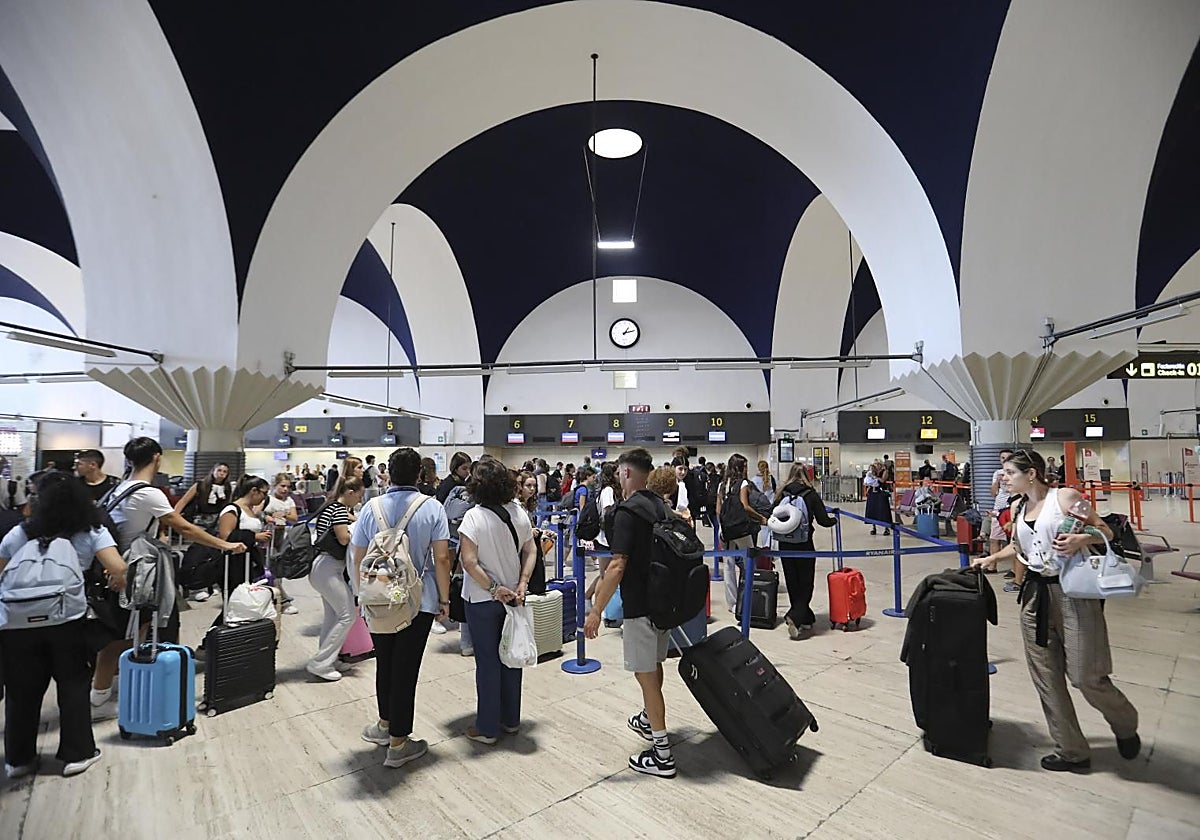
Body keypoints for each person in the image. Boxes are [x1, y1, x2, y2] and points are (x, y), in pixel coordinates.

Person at [972, 449, 1140, 772]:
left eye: (1009, 472)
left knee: (1085, 675)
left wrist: (1080, 539)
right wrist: (993, 559)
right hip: (1034, 596)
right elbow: (1022, 546)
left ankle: (1125, 721)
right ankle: (1071, 749)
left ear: (1031, 473)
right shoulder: (1019, 507)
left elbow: (1104, 530)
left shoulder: (1064, 498)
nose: (1003, 477)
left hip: (1073, 593)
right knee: (1046, 677)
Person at [94, 438, 247, 717]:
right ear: (156, 457)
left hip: (121, 564)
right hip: (133, 570)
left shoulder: (119, 488)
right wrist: (224, 545)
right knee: (120, 635)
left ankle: (113, 687)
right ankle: (98, 697)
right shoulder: (149, 493)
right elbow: (184, 527)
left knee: (137, 627)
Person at [0, 472, 127, 778]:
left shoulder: (22, 532)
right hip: (67, 620)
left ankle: (18, 759)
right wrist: (115, 579)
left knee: (21, 690)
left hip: (17, 625)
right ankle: (76, 754)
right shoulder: (91, 529)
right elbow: (118, 566)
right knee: (72, 684)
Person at [352, 448, 452, 770]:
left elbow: (357, 556)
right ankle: (398, 743)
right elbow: (442, 559)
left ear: (388, 474)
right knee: (406, 670)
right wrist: (445, 601)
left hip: (378, 598)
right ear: (420, 475)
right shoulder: (432, 508)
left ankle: (384, 725)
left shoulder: (371, 508)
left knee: (386, 663)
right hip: (418, 601)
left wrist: (361, 594)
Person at [584, 448, 677, 778]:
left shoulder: (627, 512)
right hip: (664, 602)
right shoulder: (660, 505)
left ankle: (662, 754)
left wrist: (596, 610)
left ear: (625, 473)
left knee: (645, 676)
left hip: (640, 605)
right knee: (653, 666)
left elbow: (618, 565)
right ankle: (648, 718)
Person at [457, 459, 537, 744]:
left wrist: (493, 588)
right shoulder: (519, 512)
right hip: (515, 598)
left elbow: (469, 561)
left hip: (482, 599)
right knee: (511, 657)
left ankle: (488, 727)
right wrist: (522, 582)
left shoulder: (474, 518)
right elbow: (531, 550)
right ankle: (511, 720)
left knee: (488, 662)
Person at [306, 477, 364, 681]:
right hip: (327, 568)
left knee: (333, 616)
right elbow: (343, 538)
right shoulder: (339, 510)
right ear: (349, 492)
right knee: (347, 615)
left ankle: (328, 658)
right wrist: (356, 528)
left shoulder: (329, 507)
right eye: (358, 495)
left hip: (323, 568)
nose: (359, 500)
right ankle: (320, 663)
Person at [772, 464, 837, 639]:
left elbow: (773, 513)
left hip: (785, 544)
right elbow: (823, 521)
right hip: (804, 544)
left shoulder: (782, 493)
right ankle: (794, 616)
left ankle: (805, 618)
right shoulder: (810, 494)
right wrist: (834, 520)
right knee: (806, 582)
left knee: (792, 581)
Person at [715, 453, 767, 611]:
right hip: (741, 529)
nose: (746, 469)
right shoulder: (743, 483)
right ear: (740, 467)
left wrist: (723, 527)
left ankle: (731, 603)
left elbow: (718, 509)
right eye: (744, 466)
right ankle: (749, 599)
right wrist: (761, 518)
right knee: (749, 564)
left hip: (725, 529)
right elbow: (745, 506)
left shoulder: (722, 484)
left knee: (729, 565)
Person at [261, 473, 300, 615]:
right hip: (267, 535)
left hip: (281, 535)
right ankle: (282, 600)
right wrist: (270, 517)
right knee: (269, 569)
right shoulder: (267, 499)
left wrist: (282, 515)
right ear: (274, 485)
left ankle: (278, 598)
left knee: (278, 568)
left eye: (287, 487)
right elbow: (259, 513)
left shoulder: (289, 501)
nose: (285, 489)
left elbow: (294, 518)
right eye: (282, 486)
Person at [863, 461, 892, 536]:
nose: (876, 466)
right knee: (873, 509)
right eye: (875, 464)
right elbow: (868, 481)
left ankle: (886, 528)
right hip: (872, 493)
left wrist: (875, 477)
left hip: (881, 492)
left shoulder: (884, 472)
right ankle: (874, 527)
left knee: (883, 510)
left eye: (878, 464)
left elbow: (882, 480)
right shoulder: (872, 472)